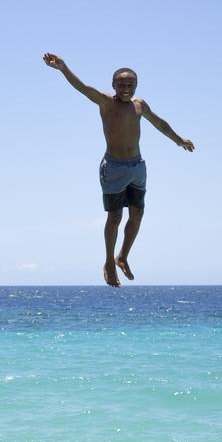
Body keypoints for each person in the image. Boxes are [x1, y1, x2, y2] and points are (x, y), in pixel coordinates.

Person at [42, 53, 194, 288]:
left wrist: (178, 139)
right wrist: (63, 68)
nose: (125, 88)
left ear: (136, 86)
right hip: (113, 167)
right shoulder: (105, 102)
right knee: (114, 217)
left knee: (137, 215)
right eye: (121, 84)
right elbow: (82, 87)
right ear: (113, 85)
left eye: (130, 84)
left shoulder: (140, 105)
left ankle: (122, 256)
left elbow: (160, 124)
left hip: (137, 167)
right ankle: (108, 262)